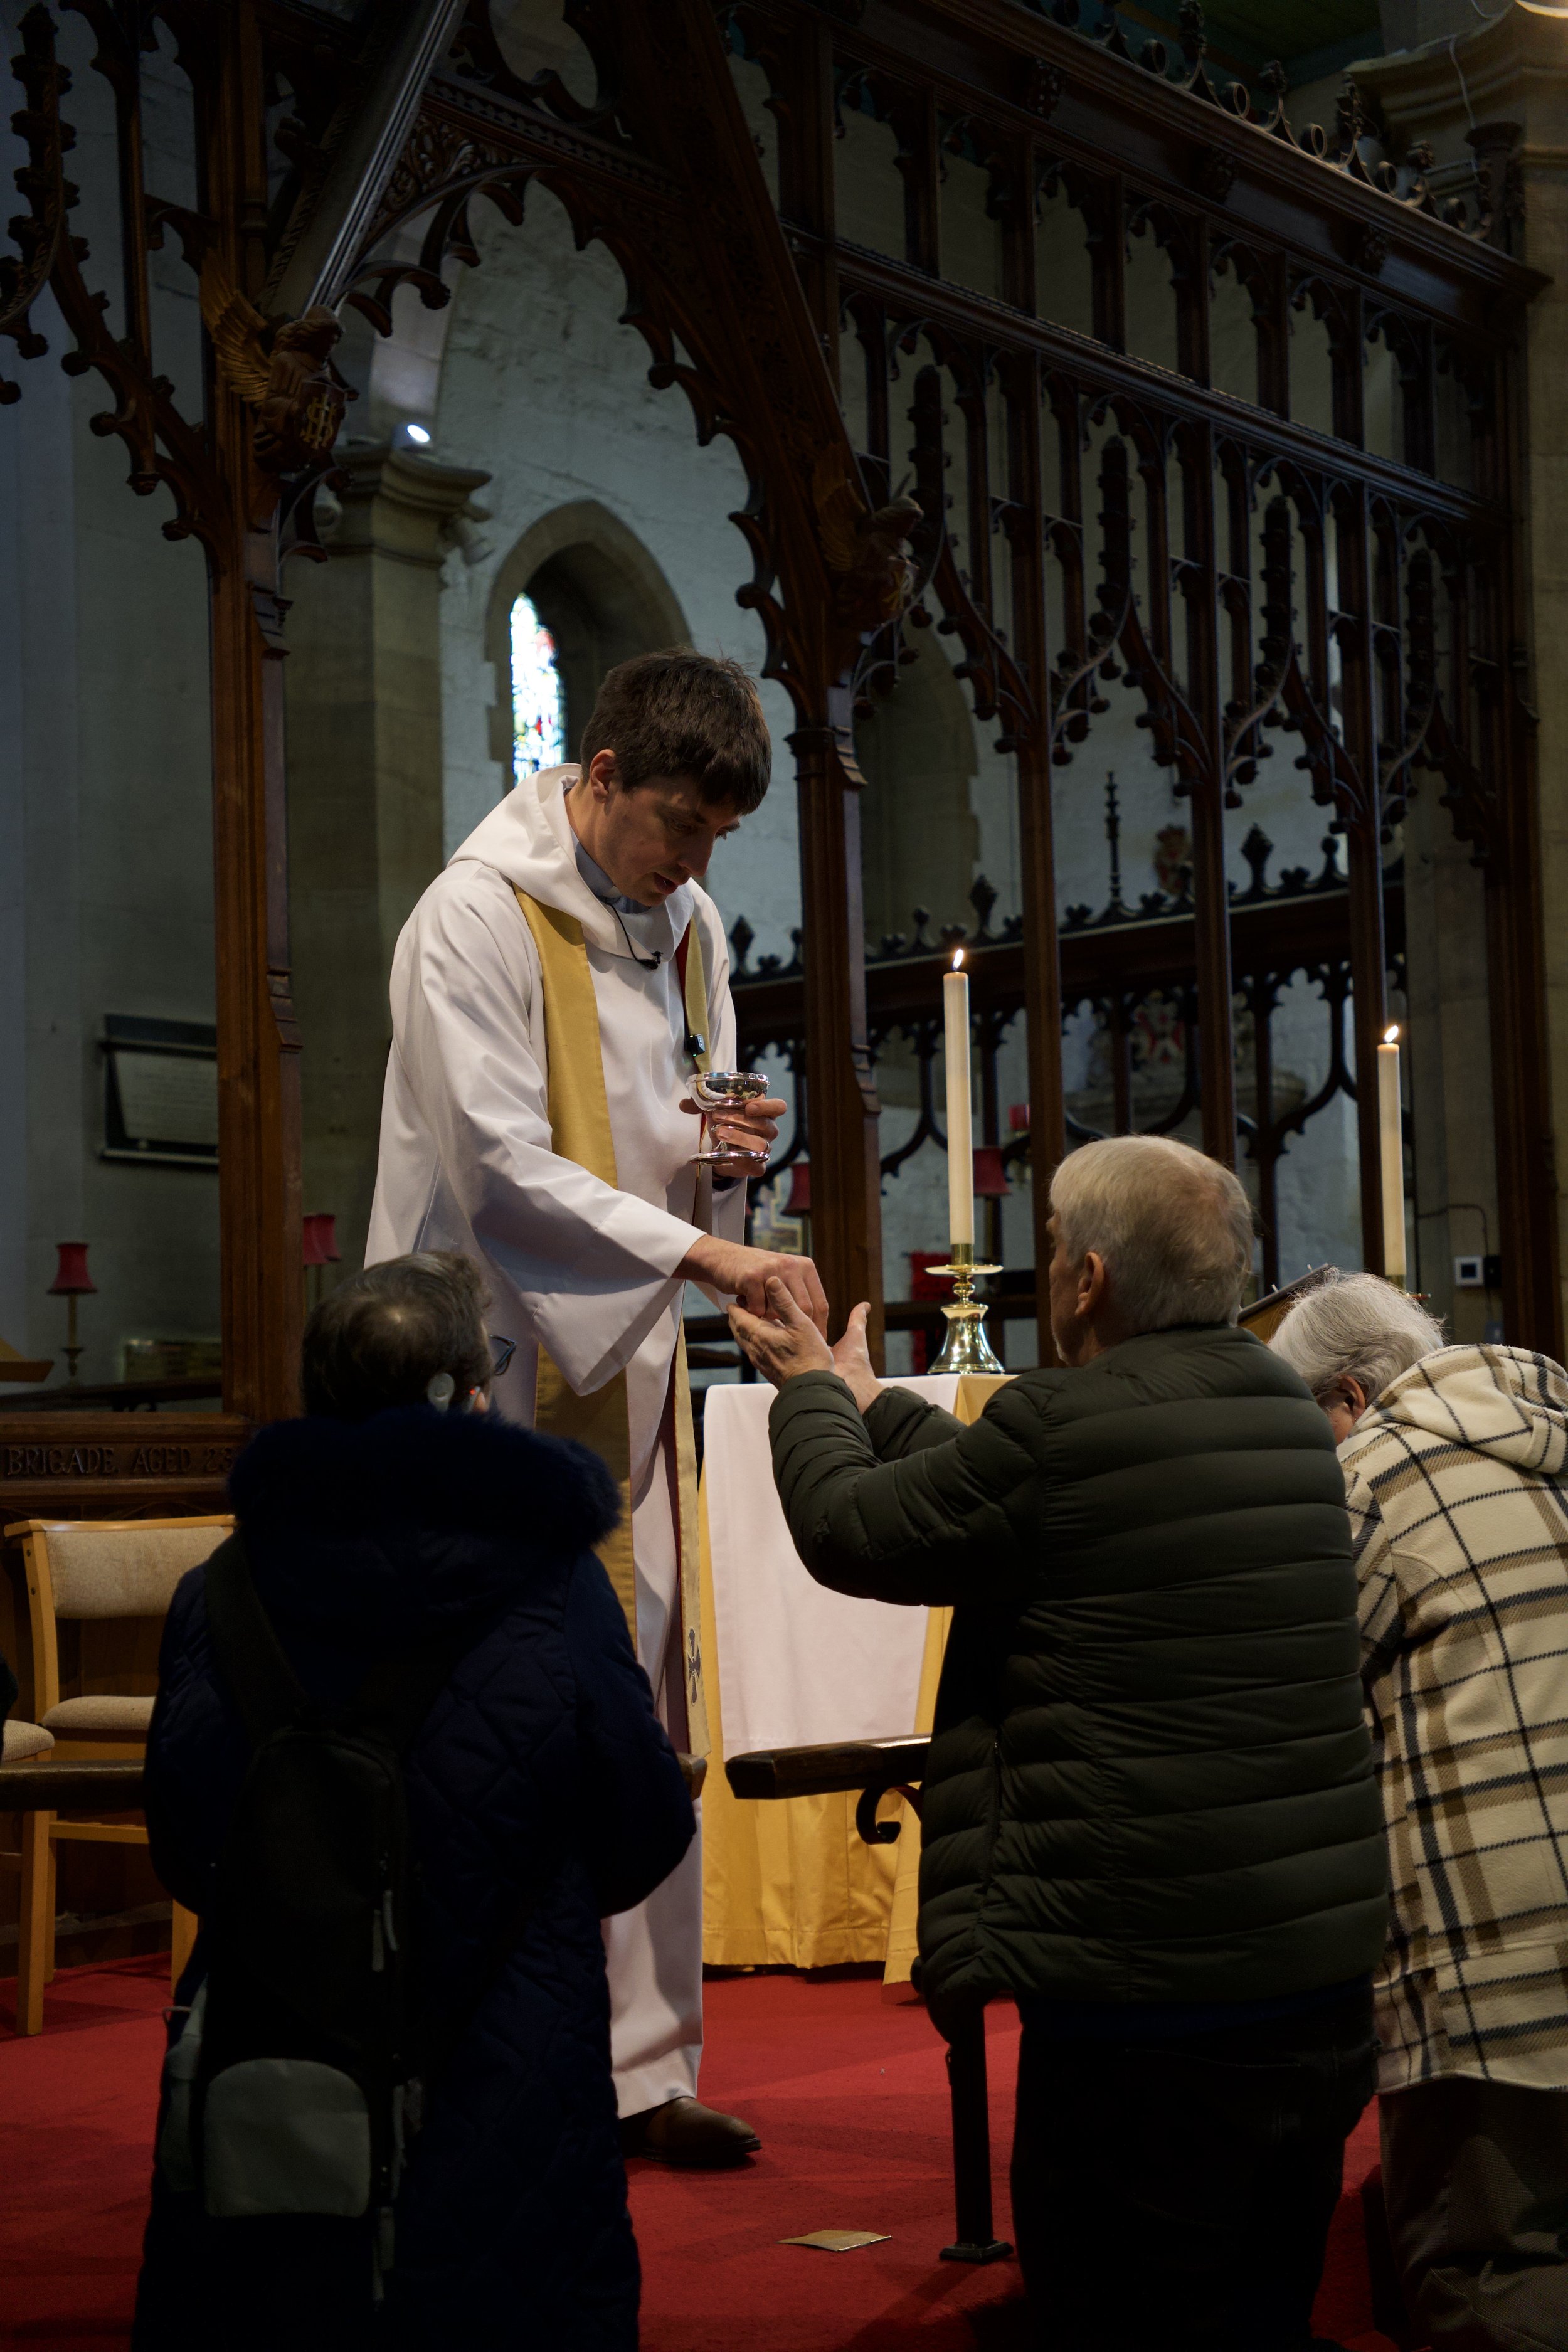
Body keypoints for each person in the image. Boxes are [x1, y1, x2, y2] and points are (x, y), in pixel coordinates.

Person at [731, 1134, 1387, 2352]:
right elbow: (1013, 1496)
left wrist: (810, 1390)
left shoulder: (1064, 1425)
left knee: (1117, 2311)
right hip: (1307, 1983)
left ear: (1085, 1279)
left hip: (1142, 1992)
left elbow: (853, 1533)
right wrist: (873, 1406)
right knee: (1259, 2307)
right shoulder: (1288, 1421)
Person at [366, 650, 822, 2166]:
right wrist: (705, 1242)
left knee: (637, 1700)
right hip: (482, 1367)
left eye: (712, 841)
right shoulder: (471, 919)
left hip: (625, 1352)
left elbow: (692, 1111)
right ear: (600, 773)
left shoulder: (685, 923)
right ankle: (478, 2055)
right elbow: (496, 1165)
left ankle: (642, 2066)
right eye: (674, 826)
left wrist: (735, 1144)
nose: (693, 866)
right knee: (496, 1713)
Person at [134, 1252, 694, 2350]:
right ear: (464, 1398)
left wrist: (310, 1900)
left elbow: (182, 1829)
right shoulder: (555, 1578)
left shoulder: (226, 1586)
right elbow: (645, 1818)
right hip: (509, 2041)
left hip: (282, 2039)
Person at [1273, 1270, 1568, 2351]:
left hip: (1501, 1961)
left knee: (1494, 2268)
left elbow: (1301, 1713)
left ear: (1346, 1397)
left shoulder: (1370, 1478)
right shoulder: (1547, 1425)